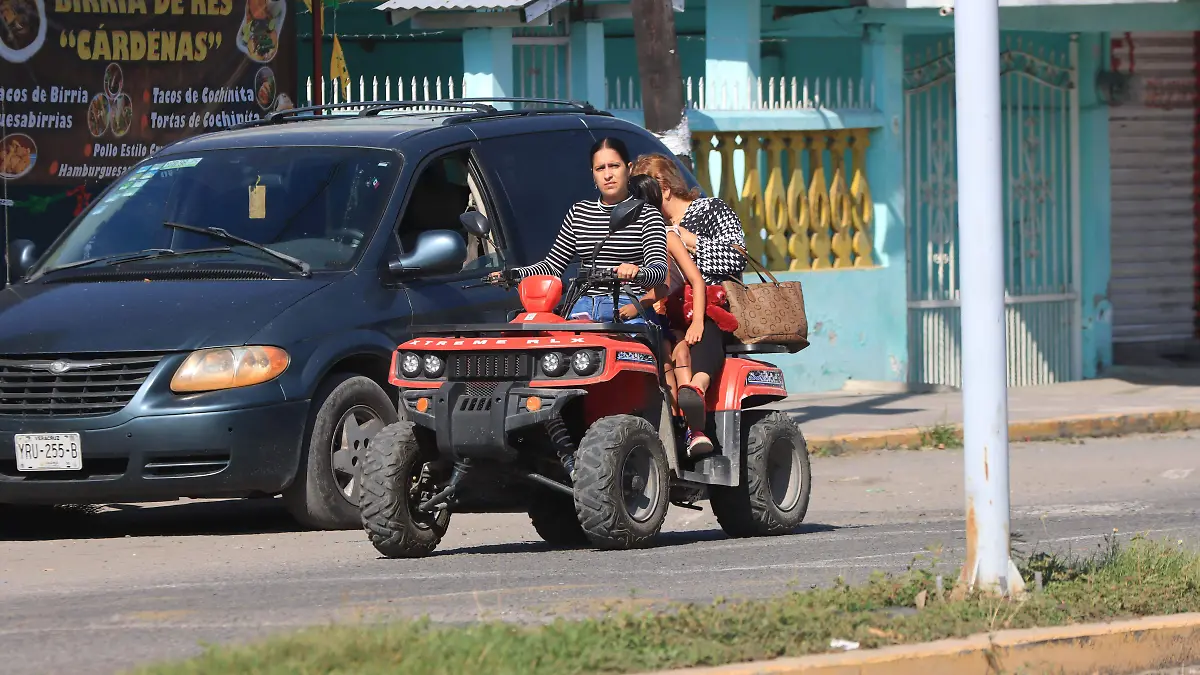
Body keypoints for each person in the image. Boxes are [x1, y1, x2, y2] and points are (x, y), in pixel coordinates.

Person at [630, 154, 749, 454]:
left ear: (665, 188)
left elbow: (737, 257)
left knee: (704, 329)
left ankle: (698, 388)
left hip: (713, 305)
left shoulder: (711, 210)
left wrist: (690, 241)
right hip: (671, 311)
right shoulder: (650, 227)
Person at [490, 137, 667, 323]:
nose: (608, 175)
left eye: (614, 166)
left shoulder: (647, 214)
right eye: (600, 168)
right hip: (582, 307)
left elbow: (659, 271)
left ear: (629, 169)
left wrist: (637, 272)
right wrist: (513, 274)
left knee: (628, 351)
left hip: (627, 307)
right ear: (593, 174)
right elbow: (552, 266)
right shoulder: (579, 212)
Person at [622, 174, 714, 456]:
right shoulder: (619, 237)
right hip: (634, 320)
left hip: (660, 318)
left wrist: (697, 322)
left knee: (672, 353)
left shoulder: (665, 235)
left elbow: (688, 282)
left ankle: (689, 428)